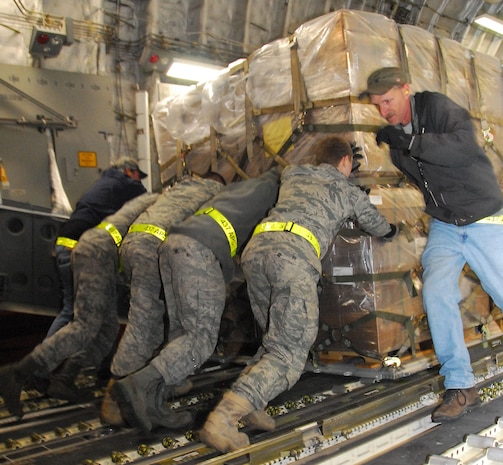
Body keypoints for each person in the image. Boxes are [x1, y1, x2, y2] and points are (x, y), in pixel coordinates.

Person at [199, 135, 397, 453]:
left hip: (257, 251)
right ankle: (222, 420)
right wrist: (392, 229)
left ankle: (253, 403)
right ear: (347, 162)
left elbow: (309, 175)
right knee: (289, 353)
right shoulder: (346, 192)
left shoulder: (293, 174)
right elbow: (377, 225)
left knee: (274, 339)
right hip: (292, 258)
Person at [359, 66, 503, 422]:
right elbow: (422, 180)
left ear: (405, 89)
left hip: (483, 216)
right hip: (445, 224)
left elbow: (462, 146)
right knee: (436, 292)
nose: (384, 111)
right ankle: (460, 386)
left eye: (388, 101)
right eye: (378, 106)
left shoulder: (437, 108)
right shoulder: (396, 145)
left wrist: (409, 142)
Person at [110, 169, 281, 433]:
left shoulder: (241, 187)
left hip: (171, 245)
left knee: (181, 337)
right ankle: (137, 384)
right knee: (200, 341)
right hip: (199, 252)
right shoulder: (277, 193)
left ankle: (154, 405)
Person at [0, 193, 158, 418]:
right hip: (98, 253)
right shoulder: (165, 205)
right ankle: (17, 372)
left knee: (107, 328)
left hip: (102, 254)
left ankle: (65, 379)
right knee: (86, 324)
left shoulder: (154, 199)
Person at [101, 173, 225, 426]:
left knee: (165, 317)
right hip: (154, 246)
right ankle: (115, 398)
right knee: (145, 326)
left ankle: (169, 381)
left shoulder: (180, 188)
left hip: (133, 243)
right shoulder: (215, 193)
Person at [49, 157, 147, 337]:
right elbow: (147, 200)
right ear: (127, 171)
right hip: (79, 248)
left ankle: (46, 360)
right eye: (137, 175)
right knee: (88, 313)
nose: (138, 179)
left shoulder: (103, 184)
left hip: (64, 243)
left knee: (69, 309)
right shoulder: (126, 184)